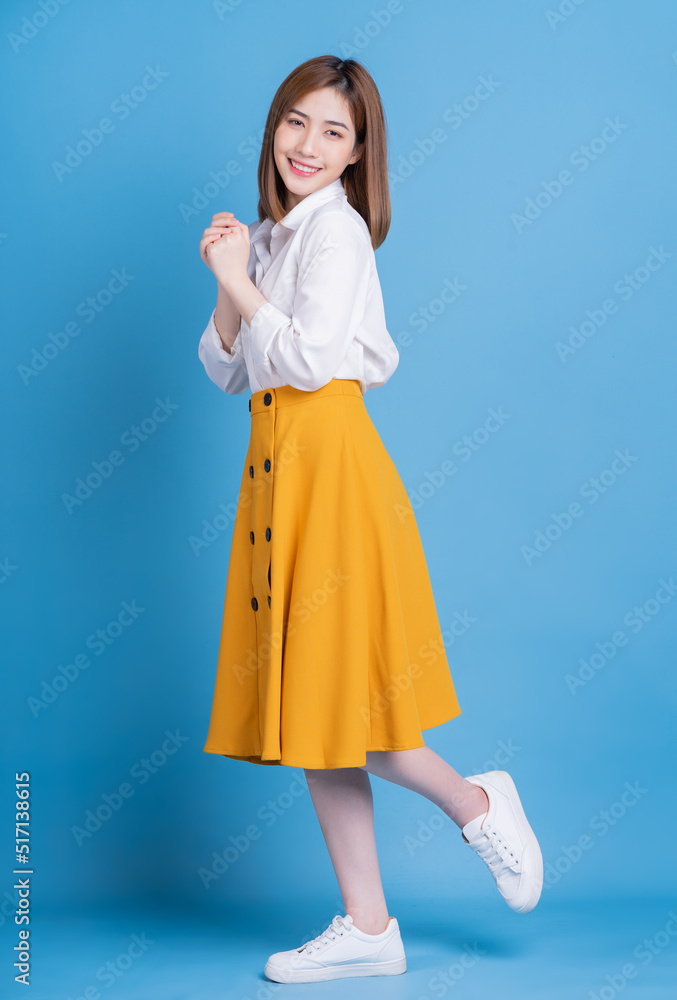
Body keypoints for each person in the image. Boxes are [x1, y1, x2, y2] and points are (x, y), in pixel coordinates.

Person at [197, 54, 543, 986]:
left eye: (333, 132)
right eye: (295, 122)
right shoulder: (273, 239)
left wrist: (241, 279)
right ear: (274, 128)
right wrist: (234, 273)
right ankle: (369, 925)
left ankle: (475, 801)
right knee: (316, 712)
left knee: (353, 705)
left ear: (358, 156)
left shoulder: (338, 233)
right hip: (277, 471)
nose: (308, 145)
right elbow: (227, 369)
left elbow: (308, 360)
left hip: (330, 468)